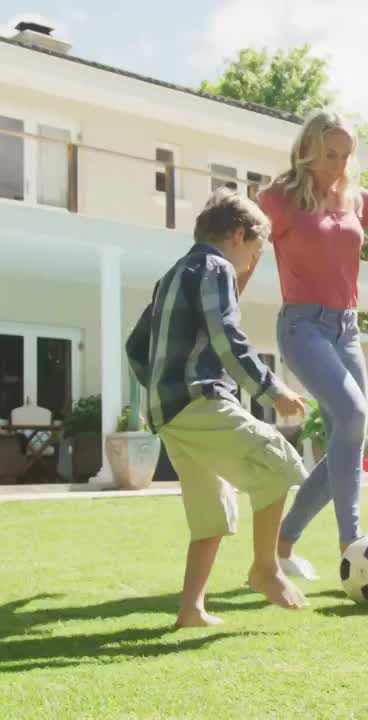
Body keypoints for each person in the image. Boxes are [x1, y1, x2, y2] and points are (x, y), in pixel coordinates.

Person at [257, 110, 368, 579]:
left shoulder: (355, 199)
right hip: (303, 328)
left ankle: (284, 541)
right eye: (329, 154)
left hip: (346, 330)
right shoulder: (279, 198)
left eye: (345, 155)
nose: (338, 164)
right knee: (353, 416)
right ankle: (350, 540)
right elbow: (240, 234)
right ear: (309, 150)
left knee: (351, 443)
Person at [127, 187, 312, 627]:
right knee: (276, 459)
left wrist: (156, 390)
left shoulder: (173, 275)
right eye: (255, 249)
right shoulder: (216, 266)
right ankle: (265, 569)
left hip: (169, 412)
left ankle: (190, 610)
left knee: (210, 512)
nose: (252, 263)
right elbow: (226, 336)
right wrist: (273, 390)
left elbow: (137, 346)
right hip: (198, 397)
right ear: (237, 235)